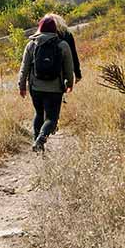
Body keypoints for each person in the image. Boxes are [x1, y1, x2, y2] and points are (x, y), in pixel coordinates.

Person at [18, 15, 75, 152]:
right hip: (55, 88)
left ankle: (36, 142)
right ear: (55, 29)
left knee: (38, 113)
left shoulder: (31, 44)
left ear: (40, 28)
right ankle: (41, 139)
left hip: (35, 88)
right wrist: (70, 83)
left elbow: (24, 67)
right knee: (51, 118)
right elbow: (69, 68)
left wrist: (22, 86)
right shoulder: (62, 45)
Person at [47, 12, 82, 82]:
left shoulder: (41, 36)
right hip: (62, 72)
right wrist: (78, 73)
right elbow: (73, 55)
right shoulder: (67, 35)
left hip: (42, 72)